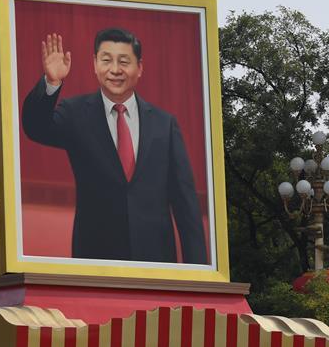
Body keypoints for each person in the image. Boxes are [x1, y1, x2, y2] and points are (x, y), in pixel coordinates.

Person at [21, 29, 208, 265]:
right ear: (94, 64)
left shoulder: (164, 124)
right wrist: (51, 82)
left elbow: (186, 203)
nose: (115, 70)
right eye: (106, 60)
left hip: (156, 260)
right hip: (96, 257)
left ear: (139, 67)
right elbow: (35, 128)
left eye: (124, 61)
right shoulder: (75, 113)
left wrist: (199, 271)